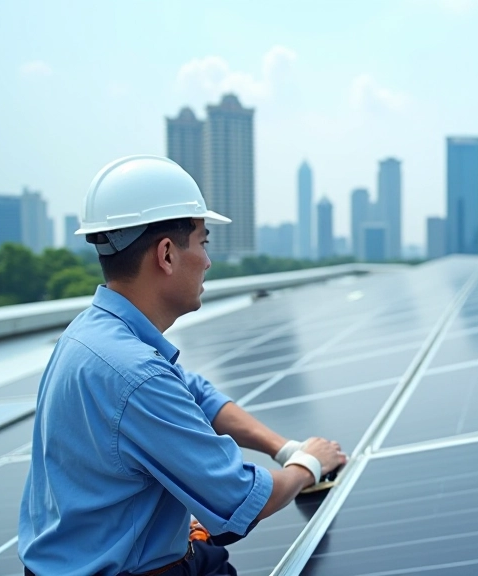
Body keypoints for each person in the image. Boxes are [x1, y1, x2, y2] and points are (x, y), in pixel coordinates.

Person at [18, 155, 346, 576]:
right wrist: (309, 464)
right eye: (204, 242)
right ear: (167, 255)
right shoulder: (135, 374)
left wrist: (284, 448)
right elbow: (240, 499)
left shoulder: (91, 334)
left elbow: (196, 396)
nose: (208, 260)